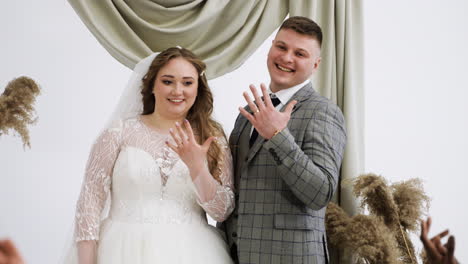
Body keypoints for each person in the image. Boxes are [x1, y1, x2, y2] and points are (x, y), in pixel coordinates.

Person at [64, 47, 235, 264]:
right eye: (167, 81)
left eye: (187, 82)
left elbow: (222, 211)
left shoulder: (213, 138)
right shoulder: (118, 133)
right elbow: (88, 205)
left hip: (194, 253)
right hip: (121, 251)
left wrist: (198, 169)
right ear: (152, 84)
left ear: (198, 88)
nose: (177, 91)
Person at [219, 16, 347, 264]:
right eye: (281, 47)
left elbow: (321, 193)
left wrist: (277, 136)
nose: (287, 58)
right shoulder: (248, 112)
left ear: (316, 64)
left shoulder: (324, 112)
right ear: (271, 48)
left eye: (300, 53)